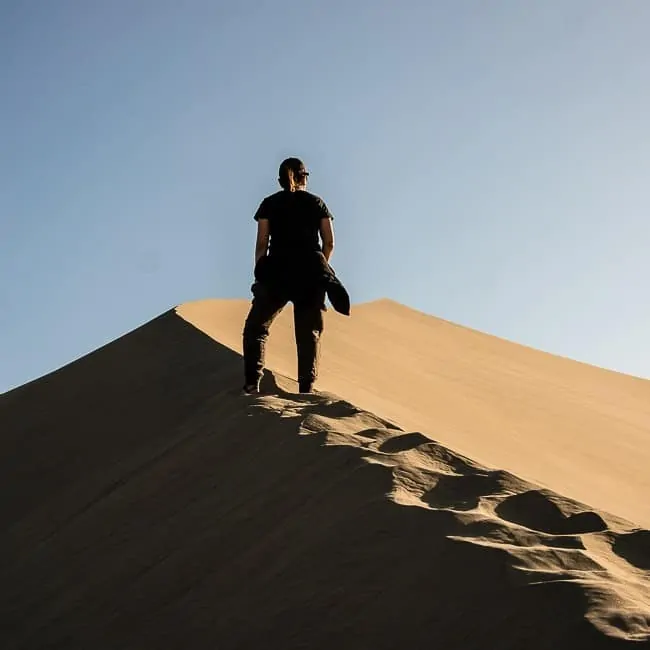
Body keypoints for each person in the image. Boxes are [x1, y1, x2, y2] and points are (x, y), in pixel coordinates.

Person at [242, 157, 336, 395]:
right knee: (308, 333)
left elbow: (262, 243)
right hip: (309, 274)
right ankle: (306, 387)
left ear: (280, 180)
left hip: (277, 272)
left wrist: (260, 275)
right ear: (304, 177)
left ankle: (252, 383)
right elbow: (329, 242)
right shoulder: (317, 203)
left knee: (256, 328)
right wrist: (320, 267)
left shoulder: (269, 204)